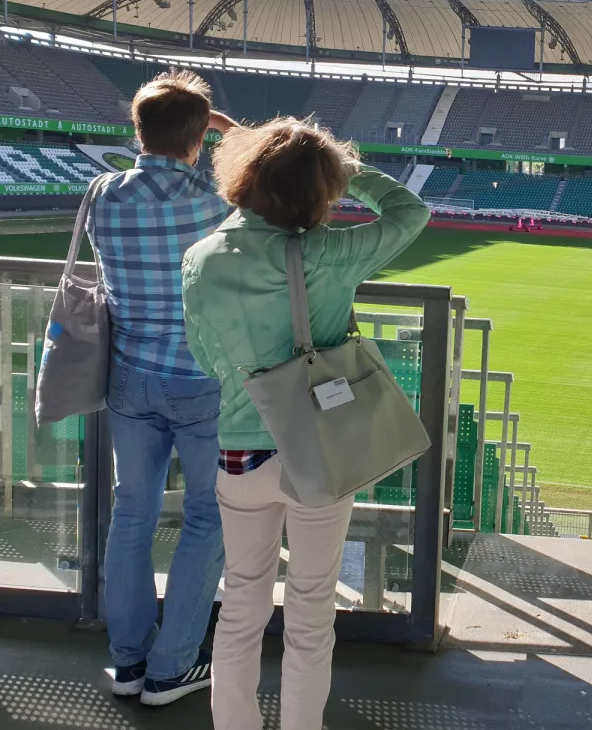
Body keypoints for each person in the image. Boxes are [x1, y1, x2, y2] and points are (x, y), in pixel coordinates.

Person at [181, 119, 430, 730]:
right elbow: (409, 212)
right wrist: (344, 165)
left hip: (240, 454)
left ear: (245, 174)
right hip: (319, 447)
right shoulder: (323, 253)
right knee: (311, 610)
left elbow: (208, 361)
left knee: (240, 606)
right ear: (318, 188)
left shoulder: (201, 258)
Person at [88, 69, 236, 705]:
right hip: (201, 381)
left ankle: (127, 662)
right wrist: (229, 131)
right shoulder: (212, 197)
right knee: (208, 517)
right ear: (199, 138)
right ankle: (172, 667)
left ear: (137, 130)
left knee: (132, 514)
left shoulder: (102, 194)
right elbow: (268, 168)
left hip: (129, 379)